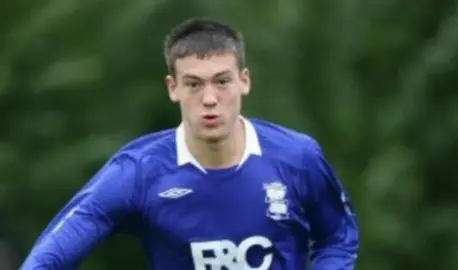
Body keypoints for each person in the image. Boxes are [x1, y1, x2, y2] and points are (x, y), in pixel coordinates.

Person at [20, 17, 359, 270]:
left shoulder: (297, 157)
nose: (209, 98)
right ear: (173, 88)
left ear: (244, 81)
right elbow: (48, 260)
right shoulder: (139, 171)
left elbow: (339, 238)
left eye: (222, 81)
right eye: (194, 84)